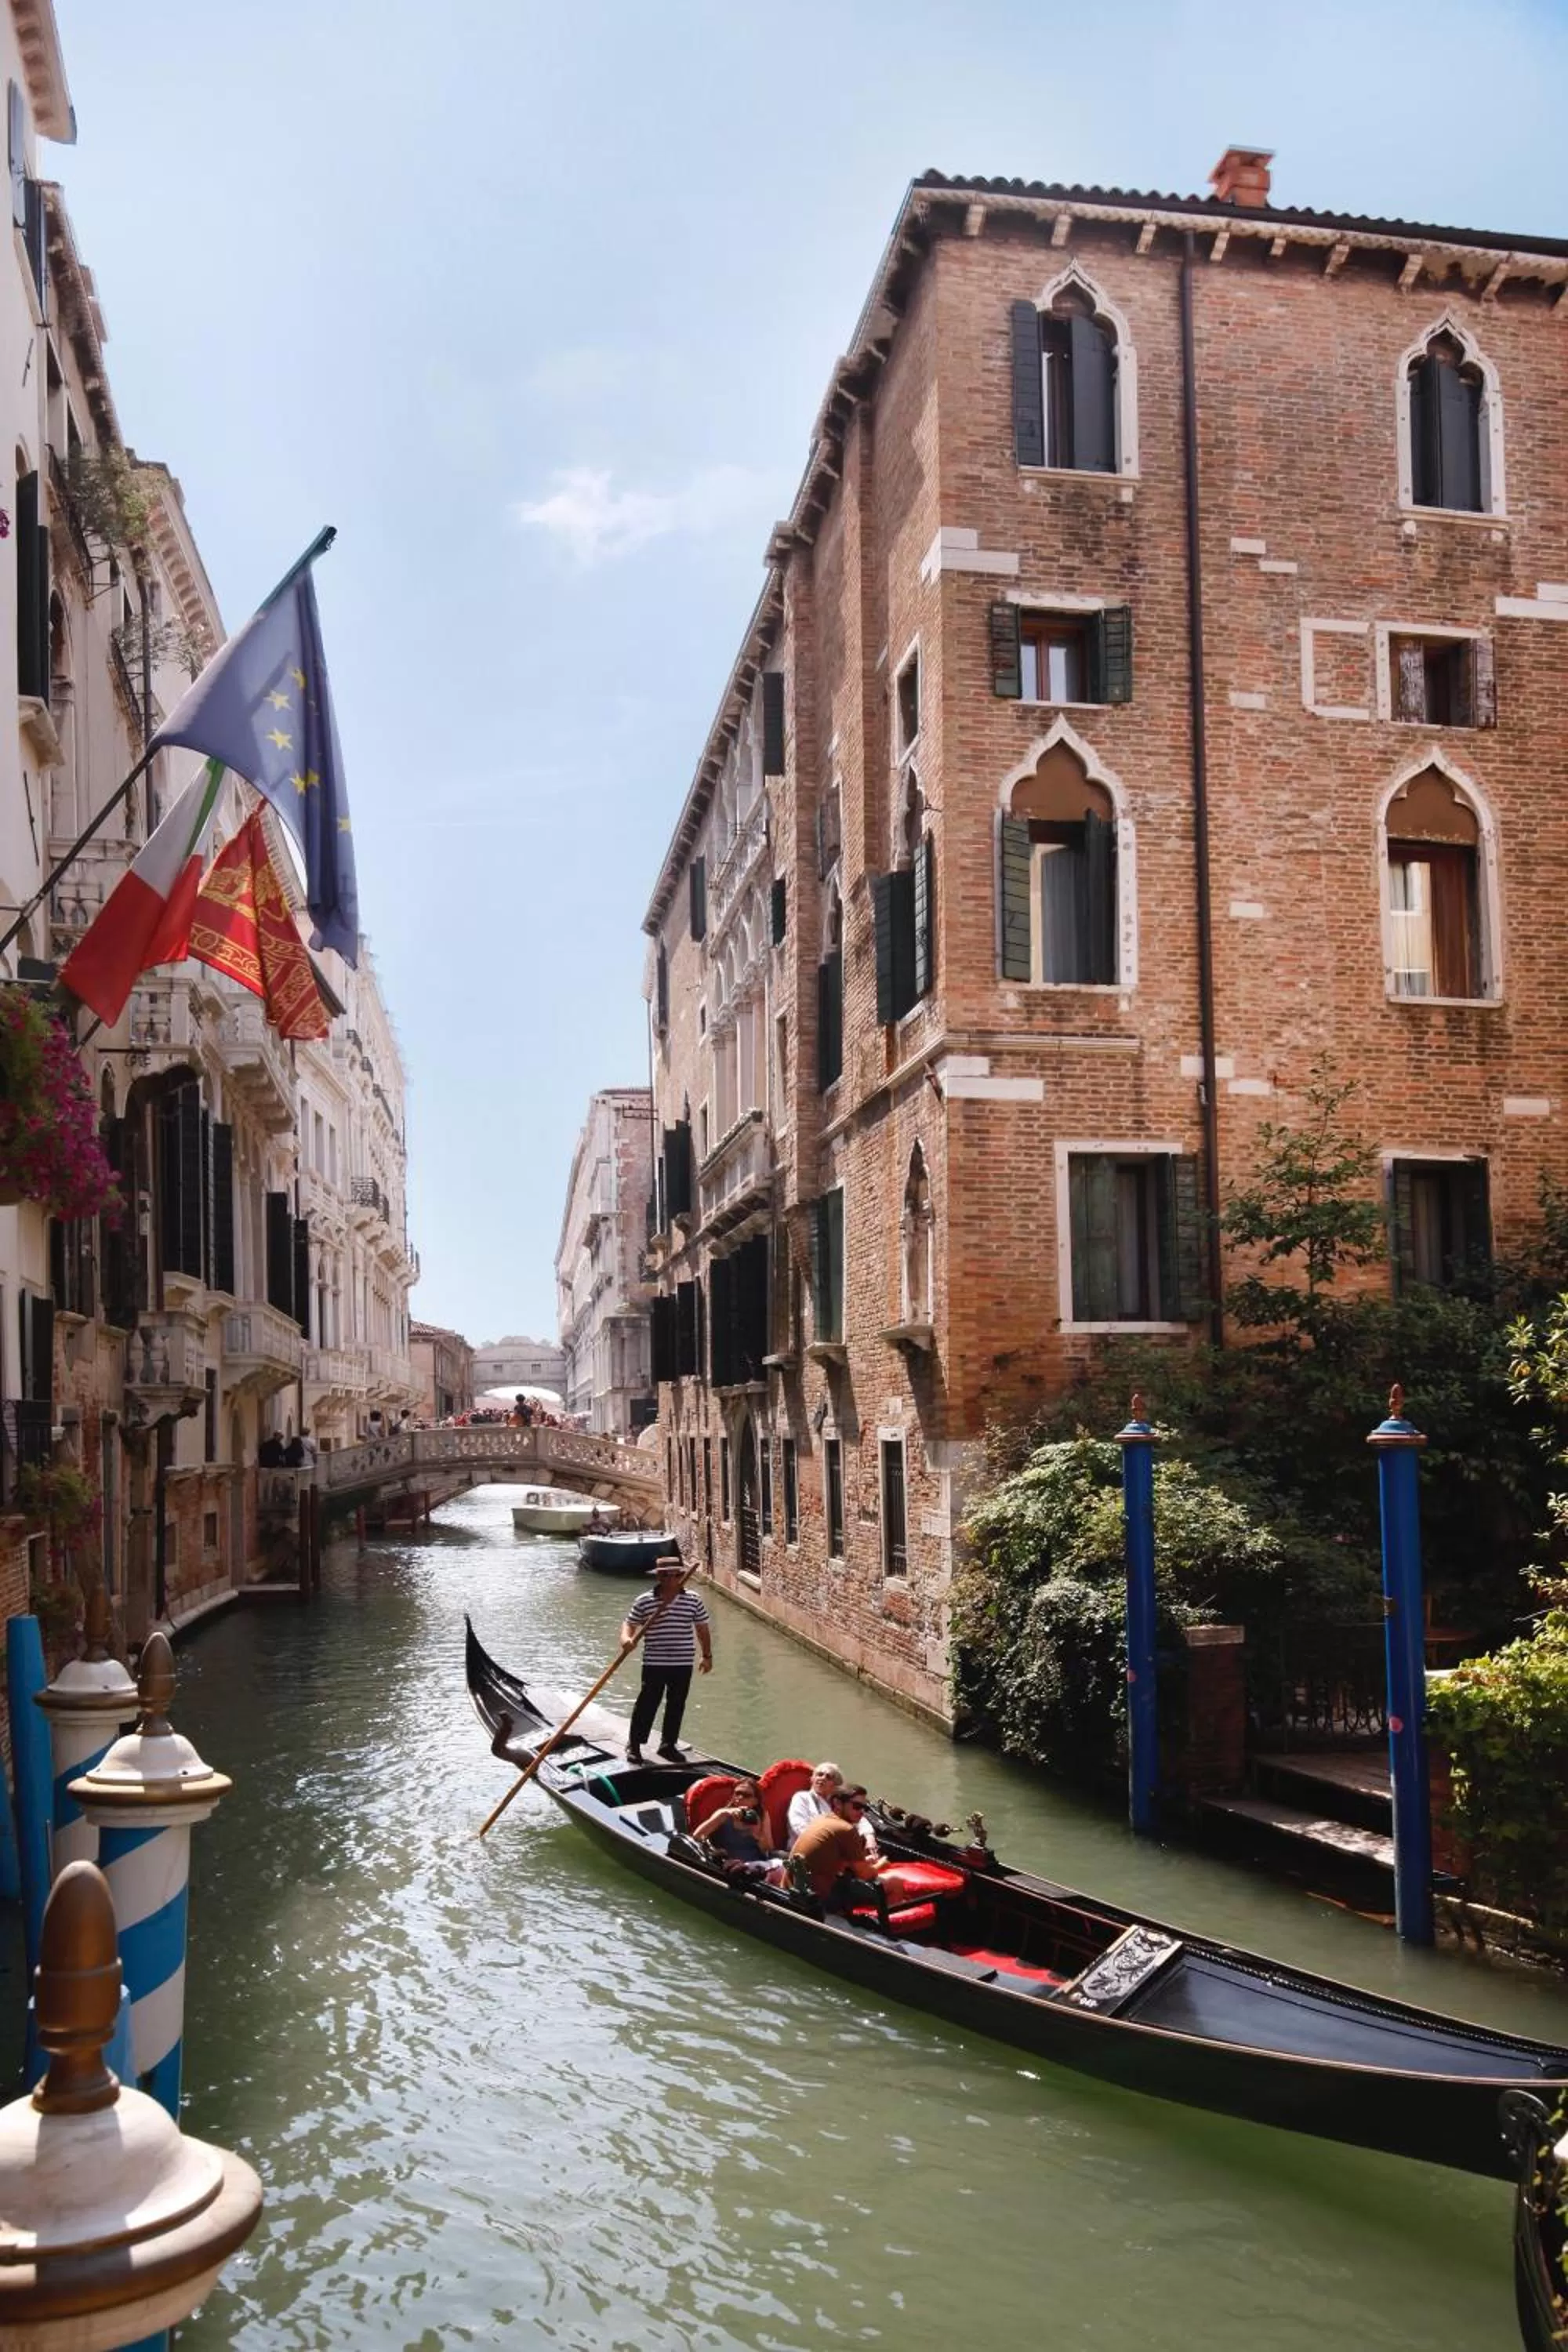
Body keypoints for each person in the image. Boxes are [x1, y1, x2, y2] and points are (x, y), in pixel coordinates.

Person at [620, 1555, 712, 1763]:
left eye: (675, 1576)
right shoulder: (644, 1601)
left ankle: (668, 1745)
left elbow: (702, 1629)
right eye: (666, 1576)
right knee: (647, 1703)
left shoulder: (693, 1600)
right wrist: (626, 1639)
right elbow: (629, 1623)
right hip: (654, 1661)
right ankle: (634, 1744)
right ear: (659, 1578)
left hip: (682, 1662)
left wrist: (706, 1656)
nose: (671, 1580)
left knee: (676, 1704)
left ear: (680, 1576)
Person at [789, 1786, 889, 1915]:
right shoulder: (846, 1829)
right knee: (895, 1883)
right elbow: (865, 1875)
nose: (862, 1812)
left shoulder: (822, 1819)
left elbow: (832, 1860)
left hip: (793, 1888)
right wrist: (881, 1864)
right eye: (857, 1806)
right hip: (820, 1900)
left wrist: (862, 1862)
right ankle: (886, 1928)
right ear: (837, 1803)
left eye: (864, 1808)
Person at [697, 1775, 786, 1886]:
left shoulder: (761, 1815)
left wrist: (757, 1834)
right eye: (737, 1793)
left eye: (746, 1795)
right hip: (735, 1868)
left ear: (755, 1801)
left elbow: (768, 1849)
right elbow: (697, 1836)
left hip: (759, 1865)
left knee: (784, 1866)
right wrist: (723, 1815)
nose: (740, 1797)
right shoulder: (723, 1815)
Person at [786, 1761, 880, 1859]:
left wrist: (869, 1837)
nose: (822, 1778)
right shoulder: (802, 1798)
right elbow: (799, 1827)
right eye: (819, 1774)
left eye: (829, 1777)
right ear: (812, 1779)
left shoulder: (836, 1803)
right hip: (807, 1853)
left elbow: (860, 1819)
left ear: (836, 1786)